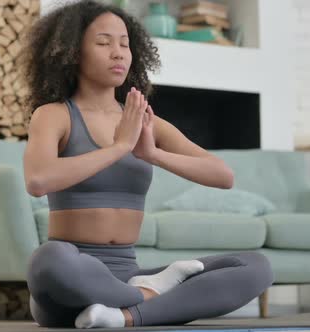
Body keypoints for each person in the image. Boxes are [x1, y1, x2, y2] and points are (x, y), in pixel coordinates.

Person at [17, 0, 274, 328]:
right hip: (70, 278)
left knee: (255, 267)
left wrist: (153, 154)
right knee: (47, 260)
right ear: (72, 52)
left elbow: (223, 176)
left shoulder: (144, 121)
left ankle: (122, 316)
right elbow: (38, 180)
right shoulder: (53, 115)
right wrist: (120, 146)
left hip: (129, 273)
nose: (118, 52)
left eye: (124, 43)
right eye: (103, 42)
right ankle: (151, 299)